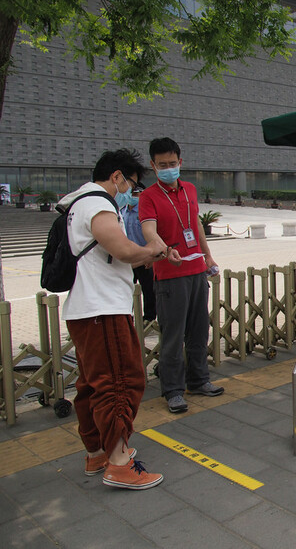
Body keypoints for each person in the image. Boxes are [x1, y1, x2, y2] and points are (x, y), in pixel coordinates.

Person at [60, 148, 175, 490]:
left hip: (87, 309)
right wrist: (152, 252)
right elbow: (122, 250)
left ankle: (97, 451)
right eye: (131, 184)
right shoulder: (97, 202)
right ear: (116, 177)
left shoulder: (76, 203)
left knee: (92, 384)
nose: (131, 192)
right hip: (102, 310)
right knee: (119, 381)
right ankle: (121, 463)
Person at [138, 137, 225, 414]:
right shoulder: (148, 196)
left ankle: (199, 380)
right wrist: (164, 251)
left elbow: (196, 224)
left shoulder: (189, 189)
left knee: (200, 330)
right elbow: (148, 230)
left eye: (172, 163)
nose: (168, 168)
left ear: (180, 163)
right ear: (153, 165)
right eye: (162, 165)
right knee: (173, 336)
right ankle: (173, 390)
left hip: (197, 270)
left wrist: (207, 255)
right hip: (169, 274)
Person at [122, 182, 157, 322]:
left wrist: (151, 257)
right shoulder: (123, 211)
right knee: (126, 289)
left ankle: (149, 318)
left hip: (144, 257)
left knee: (148, 289)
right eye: (131, 193)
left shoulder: (145, 212)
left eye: (137, 193)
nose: (133, 196)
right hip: (128, 258)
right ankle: (126, 317)